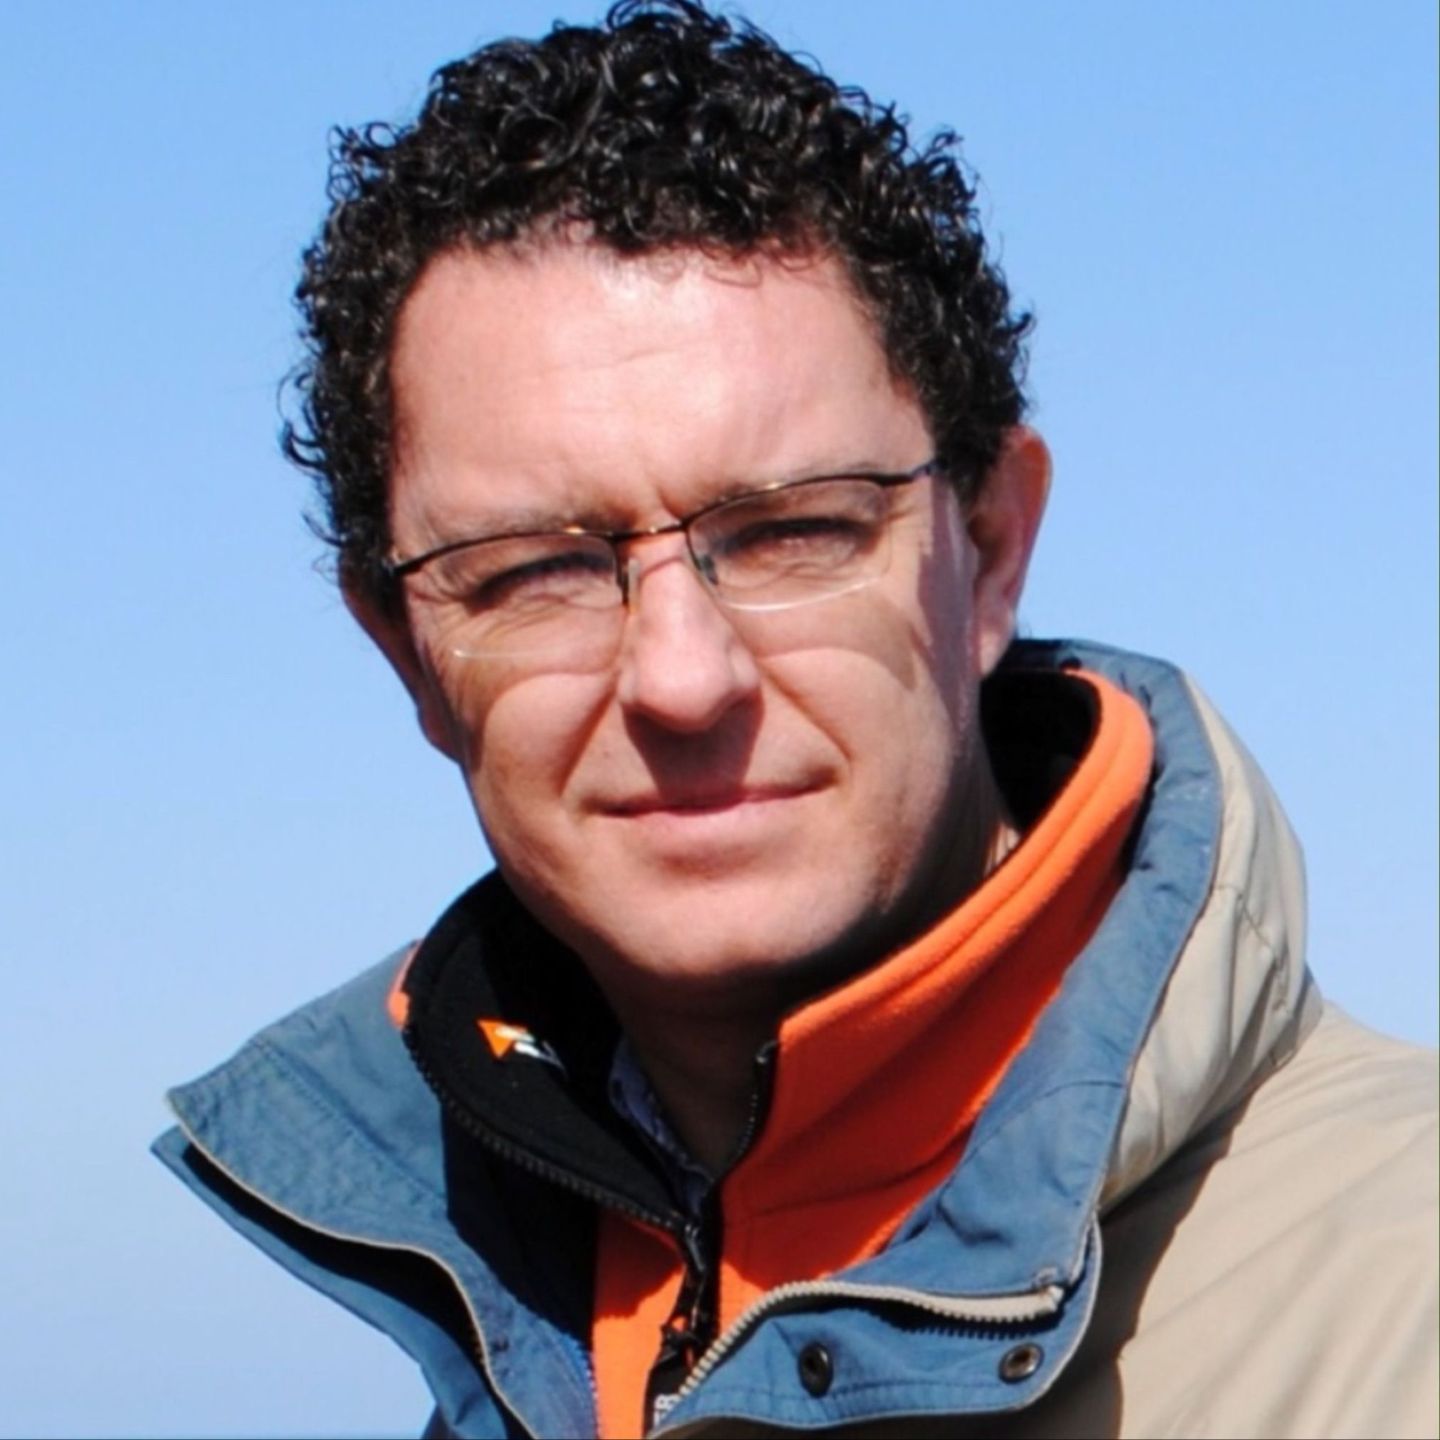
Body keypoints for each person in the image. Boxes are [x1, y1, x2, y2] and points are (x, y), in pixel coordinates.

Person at [153, 3, 1437, 1436]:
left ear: (991, 551)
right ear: (408, 655)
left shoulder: (1404, 1300)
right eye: (535, 570)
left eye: (790, 533)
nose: (682, 677)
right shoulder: (512, 1321)